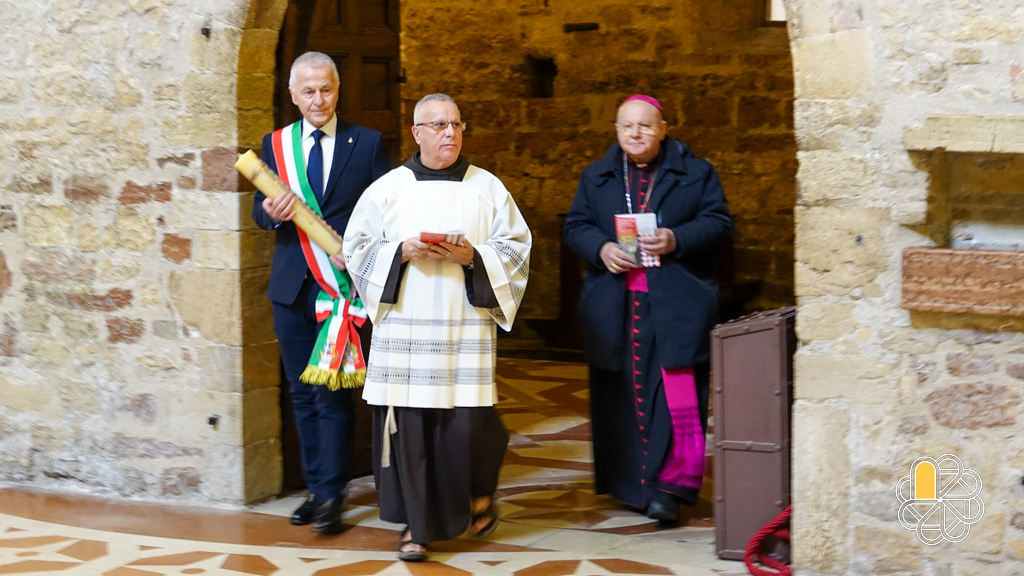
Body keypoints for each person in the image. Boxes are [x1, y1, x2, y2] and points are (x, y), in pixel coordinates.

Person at [343, 93, 531, 561]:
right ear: (417, 133)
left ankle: (478, 495)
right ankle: (417, 528)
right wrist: (400, 251)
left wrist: (474, 257)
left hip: (464, 328)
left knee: (470, 425)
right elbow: (357, 248)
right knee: (411, 429)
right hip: (407, 329)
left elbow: (517, 248)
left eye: (456, 124)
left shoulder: (487, 188)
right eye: (439, 125)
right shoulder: (388, 188)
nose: (450, 133)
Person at [564, 94, 732, 522]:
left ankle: (672, 488)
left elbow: (718, 222)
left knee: (677, 398)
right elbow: (576, 226)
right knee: (620, 396)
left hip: (674, 303)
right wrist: (600, 247)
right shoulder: (597, 176)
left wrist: (676, 238)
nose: (635, 134)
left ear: (662, 128)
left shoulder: (696, 173)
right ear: (616, 131)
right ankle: (630, 485)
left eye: (644, 126)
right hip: (615, 303)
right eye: (626, 127)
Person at [251, 51, 391, 534]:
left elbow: (385, 214)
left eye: (326, 89)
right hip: (292, 288)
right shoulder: (276, 145)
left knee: (333, 392)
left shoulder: (367, 143)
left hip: (343, 289)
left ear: (338, 89)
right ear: (293, 96)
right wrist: (270, 209)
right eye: (307, 91)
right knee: (302, 392)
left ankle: (333, 495)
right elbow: (258, 213)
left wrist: (355, 247)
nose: (318, 99)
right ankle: (315, 488)